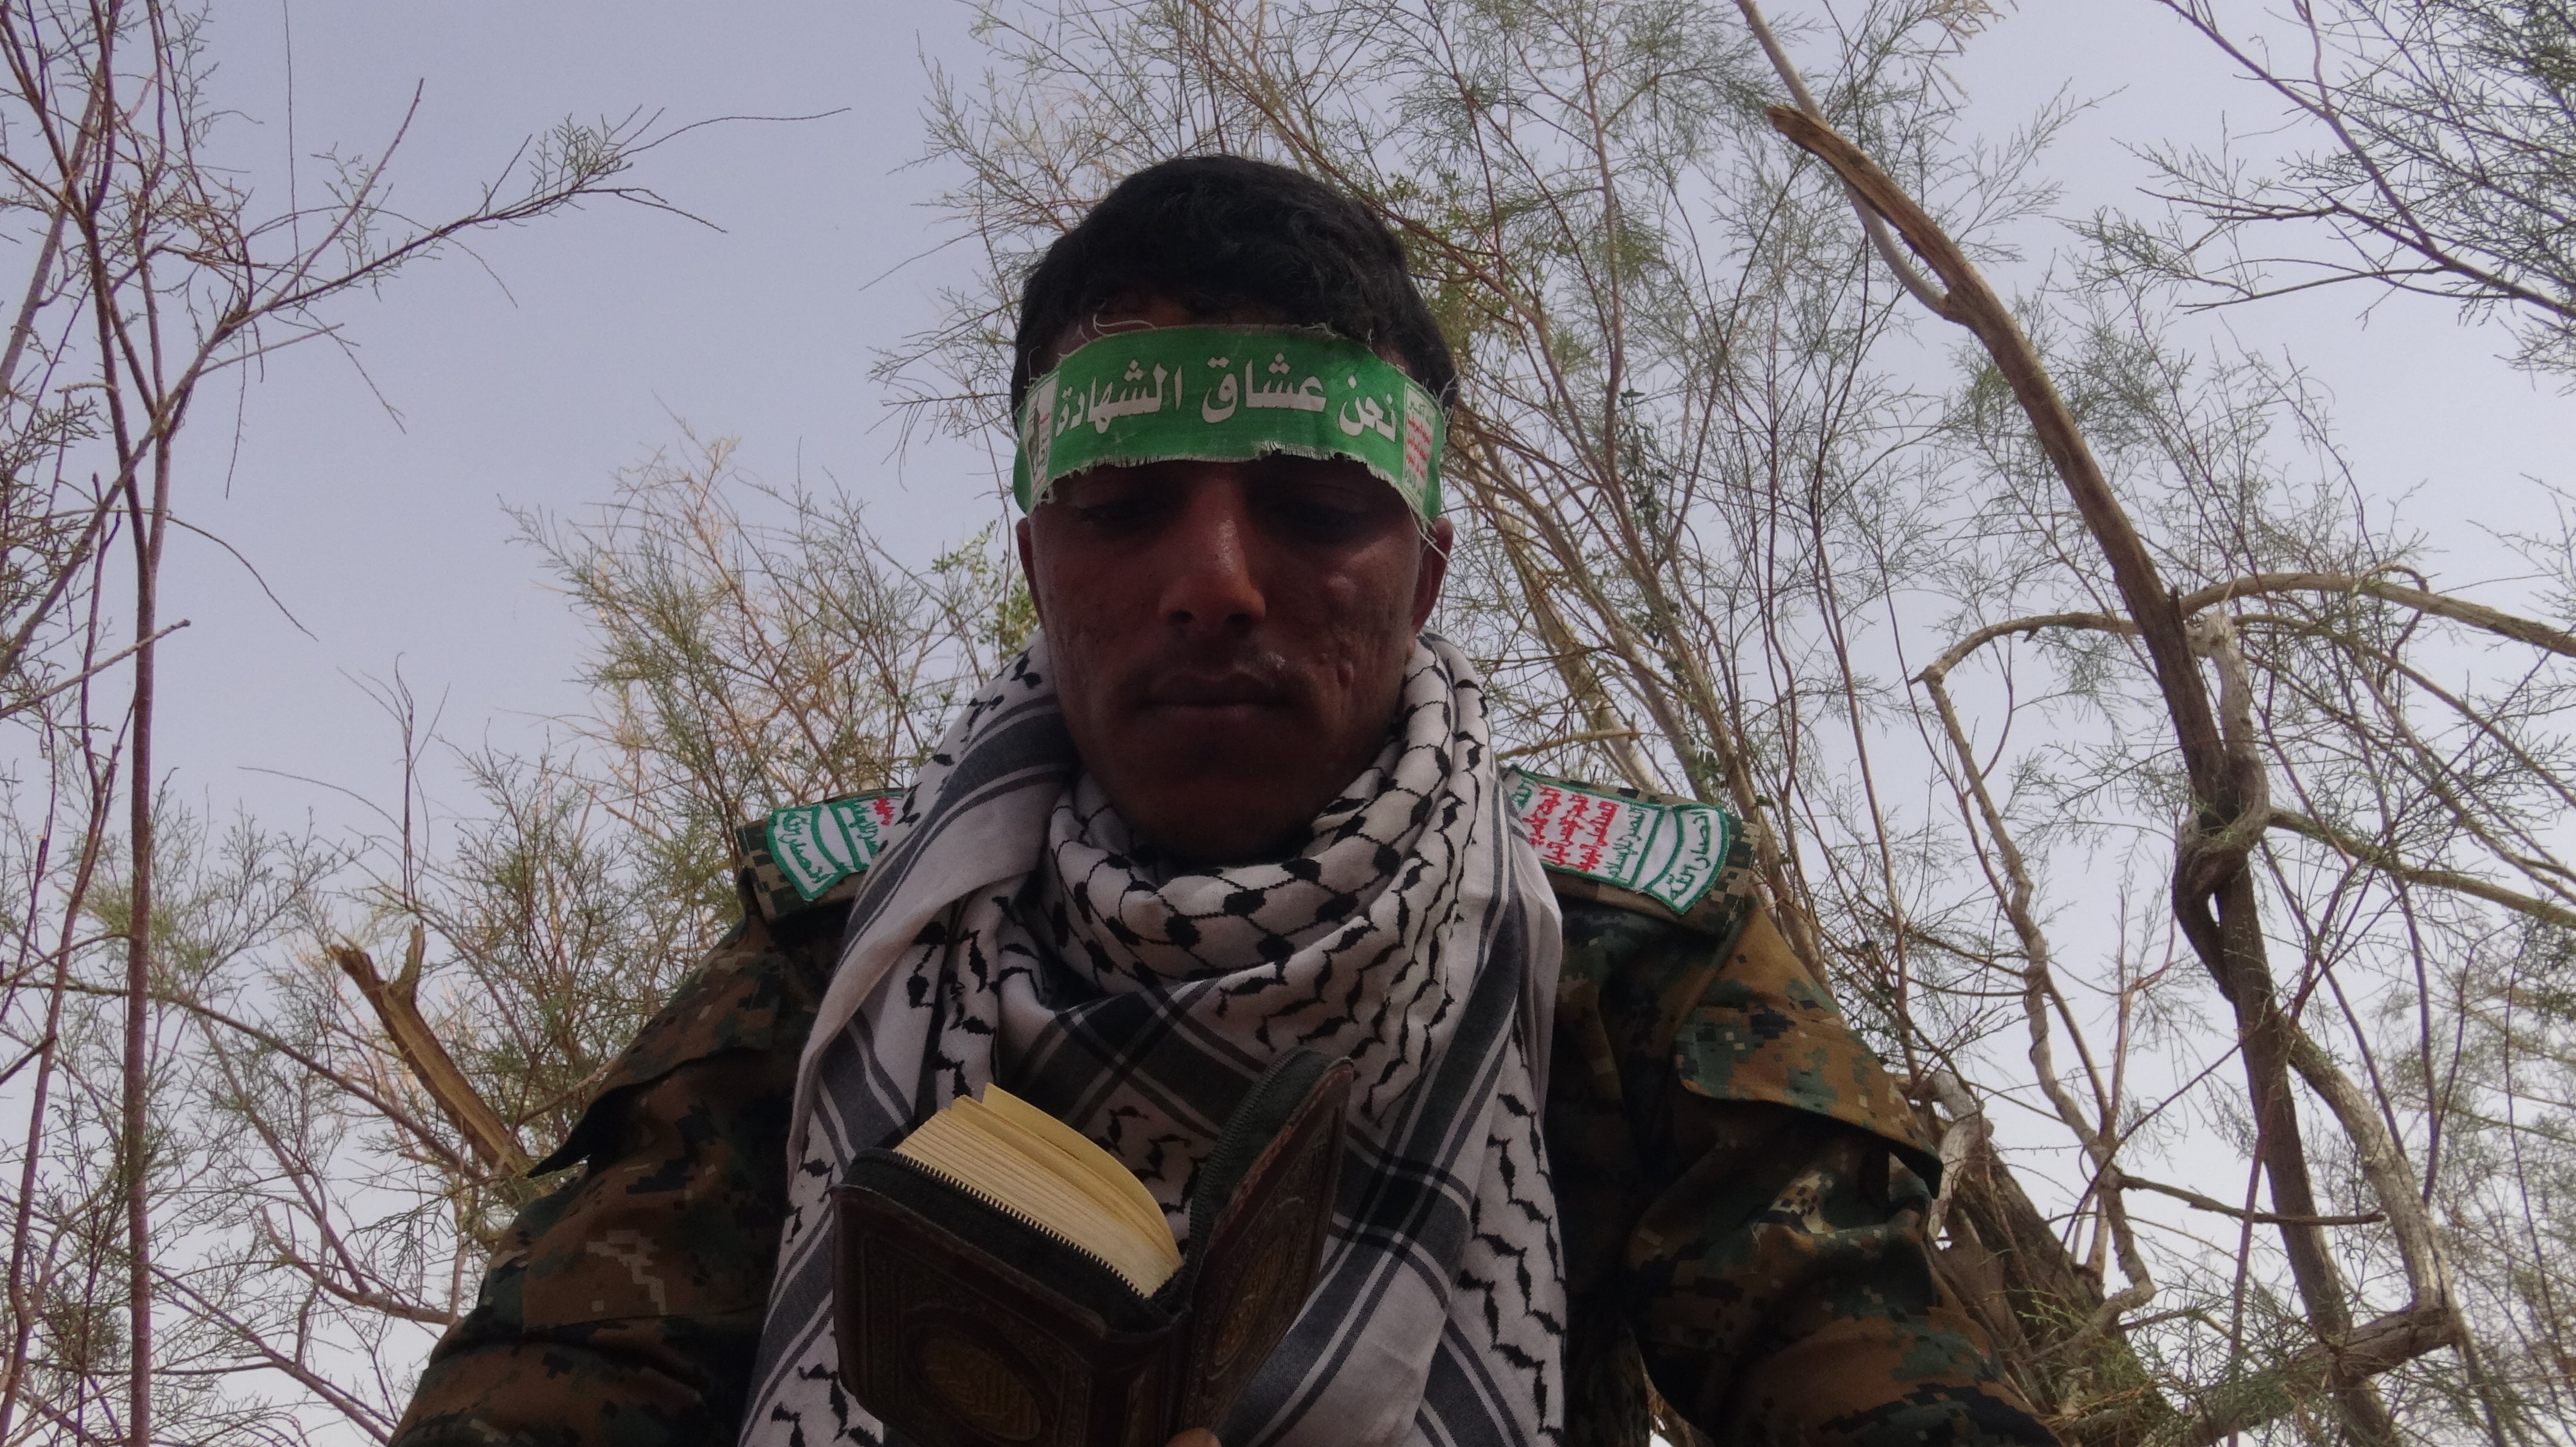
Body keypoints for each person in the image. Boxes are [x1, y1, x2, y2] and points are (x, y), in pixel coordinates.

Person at [390, 155, 2054, 1447]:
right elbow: (564, 1374)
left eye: (1315, 508)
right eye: (1124, 507)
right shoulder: (838, 948)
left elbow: (1861, 1362)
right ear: (1039, 564)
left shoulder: (1627, 948)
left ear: (1424, 576)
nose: (1216, 583)